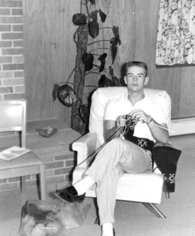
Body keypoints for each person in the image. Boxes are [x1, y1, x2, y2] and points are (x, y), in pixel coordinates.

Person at [55, 61, 169, 236]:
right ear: (125, 79)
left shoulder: (155, 106)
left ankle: (81, 187)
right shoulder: (113, 104)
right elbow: (109, 139)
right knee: (107, 172)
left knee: (117, 145)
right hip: (114, 155)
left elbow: (164, 138)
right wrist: (117, 126)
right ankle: (107, 230)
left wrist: (149, 120)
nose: (135, 79)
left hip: (142, 157)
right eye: (131, 75)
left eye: (140, 76)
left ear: (146, 80)